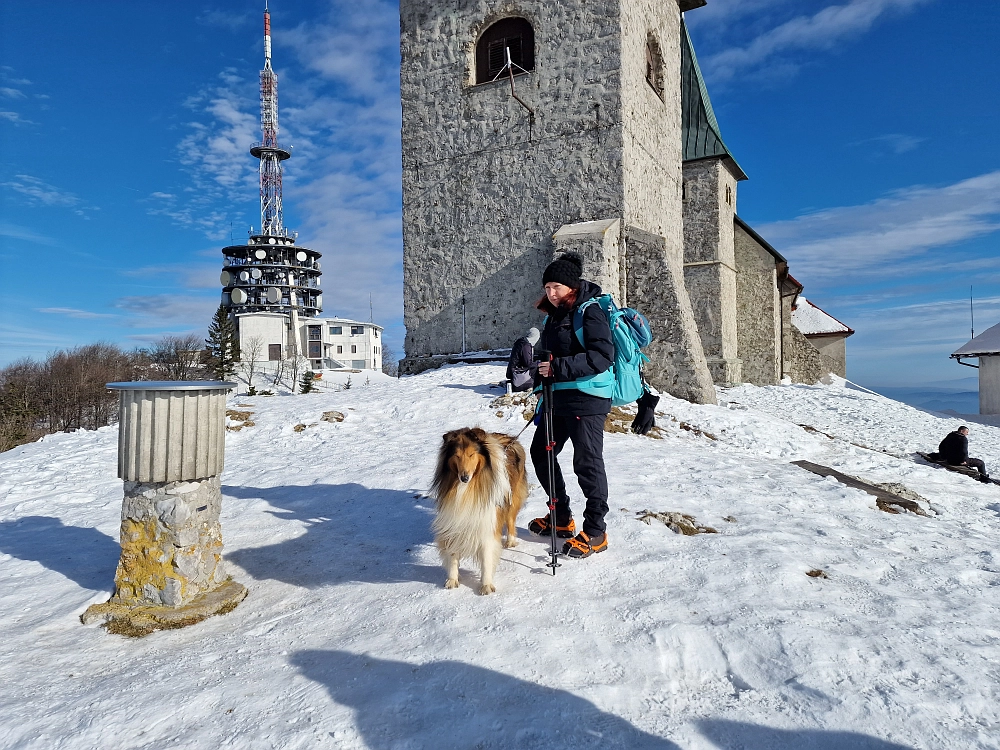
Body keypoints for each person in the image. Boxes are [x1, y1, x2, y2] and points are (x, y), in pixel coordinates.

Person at [528, 252, 615, 559]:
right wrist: (539, 370)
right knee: (541, 452)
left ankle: (595, 532)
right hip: (558, 399)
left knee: (587, 463)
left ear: (572, 286)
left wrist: (557, 368)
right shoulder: (552, 317)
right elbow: (550, 358)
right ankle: (561, 517)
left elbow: (602, 357)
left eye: (557, 287)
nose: (551, 293)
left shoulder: (589, 312)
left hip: (588, 398)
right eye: (548, 287)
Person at [506, 328, 540, 392]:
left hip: (513, 372)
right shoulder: (525, 345)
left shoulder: (522, 342)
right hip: (517, 373)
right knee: (539, 367)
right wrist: (538, 363)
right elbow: (528, 363)